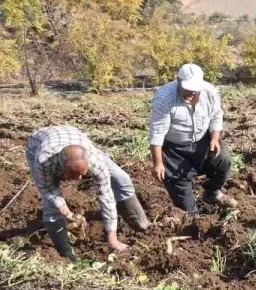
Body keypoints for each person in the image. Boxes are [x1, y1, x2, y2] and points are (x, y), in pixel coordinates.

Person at [25, 125, 150, 261]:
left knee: (122, 178)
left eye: (82, 174)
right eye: (73, 174)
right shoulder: (44, 160)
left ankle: (142, 225)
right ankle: (66, 255)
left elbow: (106, 197)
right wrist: (66, 212)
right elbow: (47, 189)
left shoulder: (96, 163)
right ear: (61, 168)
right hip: (37, 145)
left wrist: (112, 238)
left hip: (74, 137)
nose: (80, 179)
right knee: (51, 207)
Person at [148, 63, 234, 216]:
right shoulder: (164, 97)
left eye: (195, 89)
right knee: (185, 203)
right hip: (174, 149)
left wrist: (215, 138)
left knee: (223, 160)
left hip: (202, 140)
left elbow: (216, 116)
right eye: (187, 89)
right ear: (178, 80)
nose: (192, 93)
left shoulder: (209, 91)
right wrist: (158, 163)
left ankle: (212, 193)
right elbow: (157, 133)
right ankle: (192, 217)